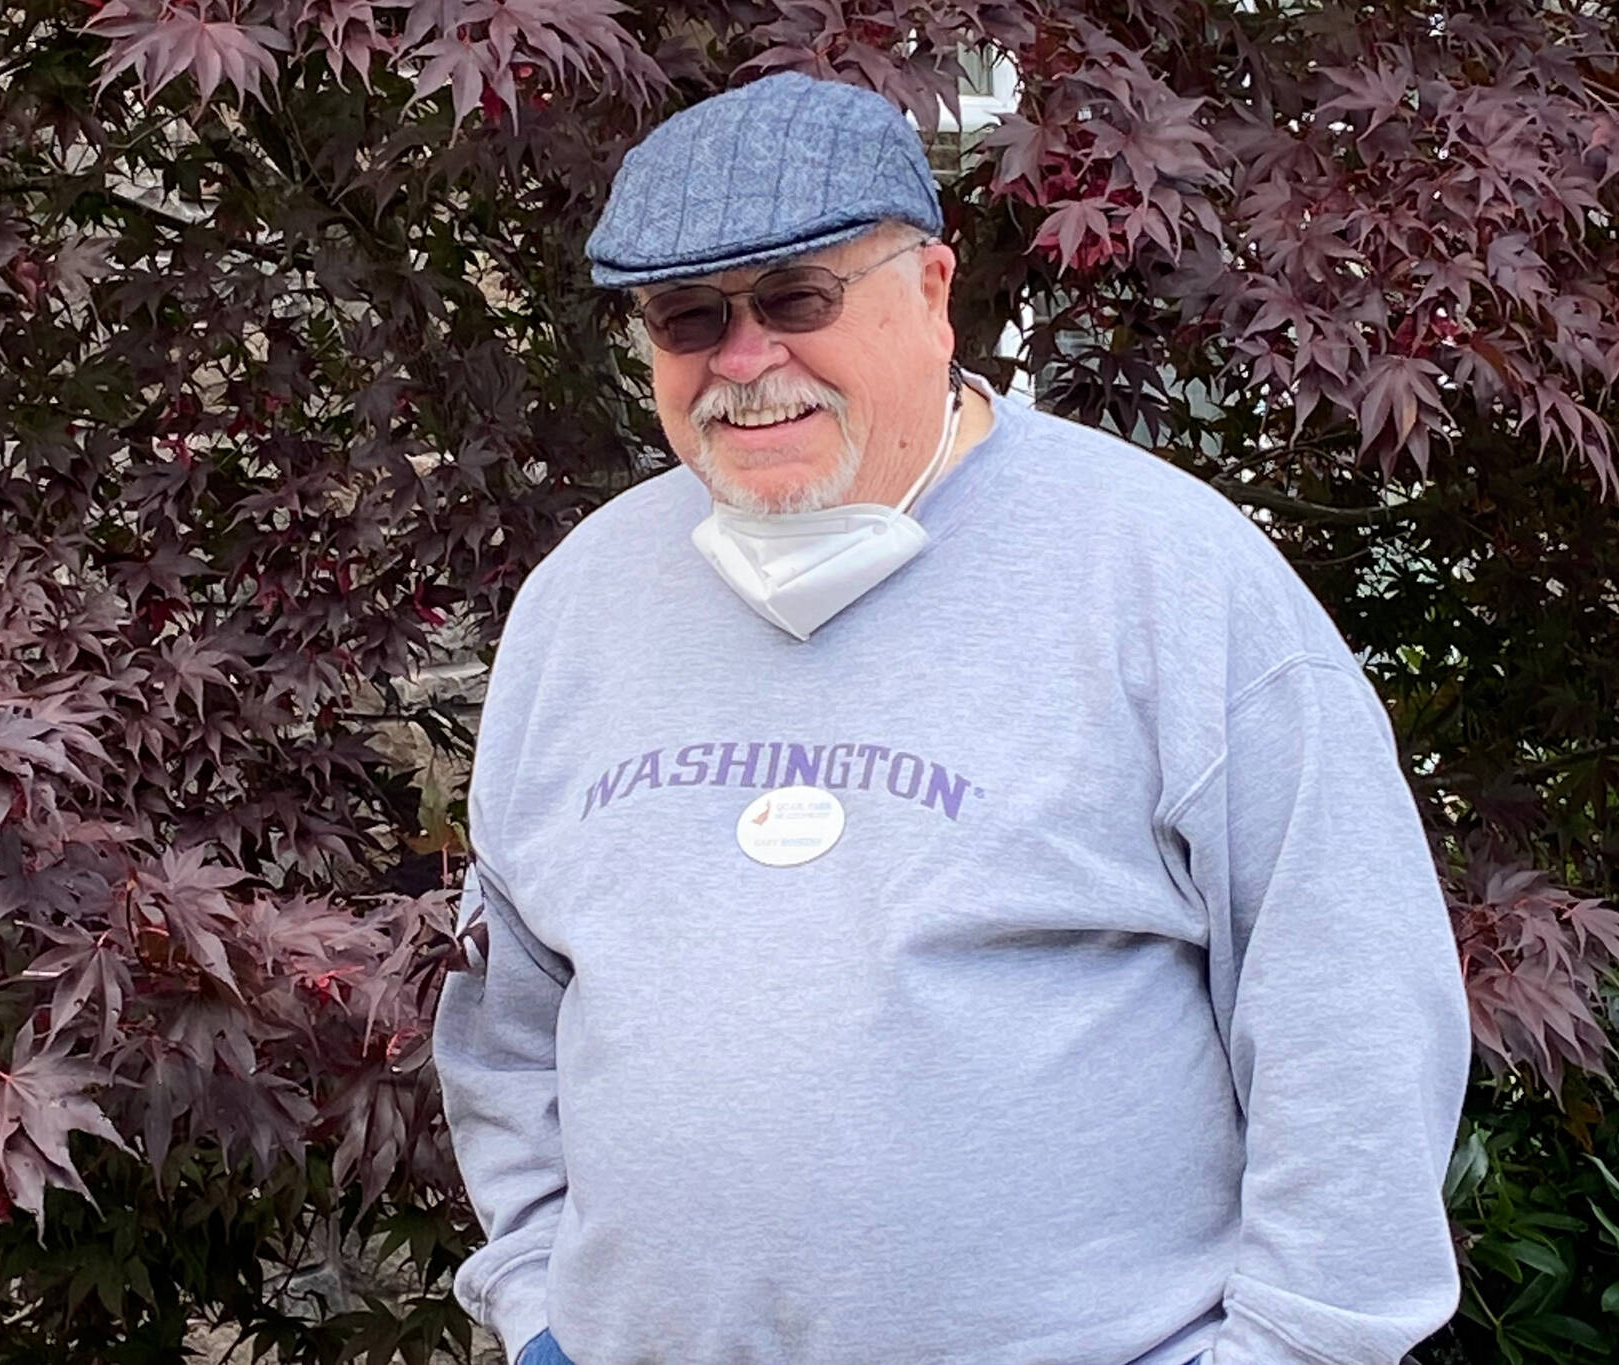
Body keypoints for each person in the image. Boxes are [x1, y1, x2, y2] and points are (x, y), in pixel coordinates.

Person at [433, 71, 1472, 1365]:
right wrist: (539, 1309)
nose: (744, 362)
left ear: (931, 292)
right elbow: (502, 1023)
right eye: (691, 317)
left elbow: (1354, 1020)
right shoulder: (577, 608)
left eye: (797, 300)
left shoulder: (1170, 580)